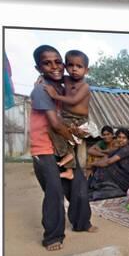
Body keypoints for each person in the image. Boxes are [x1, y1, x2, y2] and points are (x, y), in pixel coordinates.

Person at [29, 45, 95, 251]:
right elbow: (56, 125)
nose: (55, 66)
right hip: (45, 148)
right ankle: (52, 236)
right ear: (38, 67)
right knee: (55, 191)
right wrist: (74, 137)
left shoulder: (62, 86)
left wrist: (75, 135)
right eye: (47, 63)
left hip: (64, 144)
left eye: (58, 61)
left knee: (79, 187)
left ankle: (82, 223)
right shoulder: (41, 89)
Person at [43, 50, 92, 180]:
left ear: (86, 70)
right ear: (65, 66)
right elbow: (51, 77)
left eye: (79, 66)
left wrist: (55, 95)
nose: (74, 69)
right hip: (66, 117)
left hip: (78, 120)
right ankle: (69, 169)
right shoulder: (66, 79)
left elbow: (74, 100)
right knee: (55, 130)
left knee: (62, 131)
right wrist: (42, 78)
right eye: (71, 65)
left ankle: (67, 155)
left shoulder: (85, 86)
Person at [88, 128, 129, 200]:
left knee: (107, 166)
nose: (121, 139)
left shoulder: (127, 149)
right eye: (119, 137)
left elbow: (108, 162)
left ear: (128, 140)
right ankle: (95, 185)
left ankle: (95, 185)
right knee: (101, 163)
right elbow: (107, 156)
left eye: (124, 138)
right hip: (122, 176)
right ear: (116, 138)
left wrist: (93, 164)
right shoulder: (119, 149)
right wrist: (95, 163)